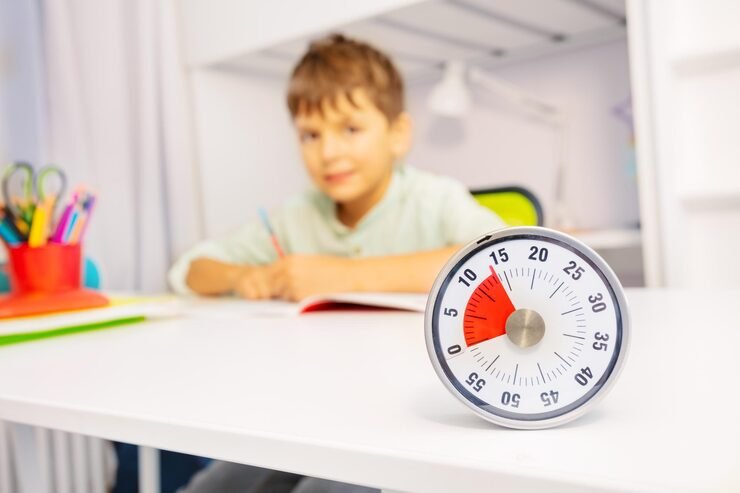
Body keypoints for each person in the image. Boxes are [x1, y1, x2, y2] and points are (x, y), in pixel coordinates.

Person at [170, 34, 504, 493]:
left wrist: (339, 276)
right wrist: (242, 275)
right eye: (310, 135)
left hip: (409, 416)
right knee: (216, 486)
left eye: (350, 129)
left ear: (398, 134)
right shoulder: (294, 218)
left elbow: (498, 256)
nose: (328, 152)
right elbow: (190, 269)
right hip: (306, 406)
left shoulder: (434, 200)